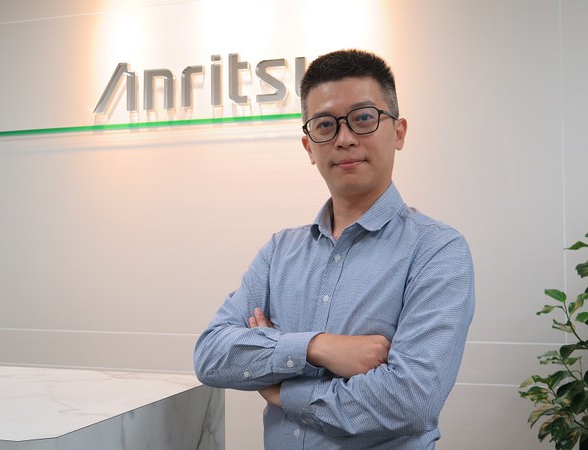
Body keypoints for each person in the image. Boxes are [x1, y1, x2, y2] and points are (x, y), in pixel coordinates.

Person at [194, 49, 475, 449]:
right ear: (309, 147)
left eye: (363, 118)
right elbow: (211, 355)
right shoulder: (280, 251)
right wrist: (317, 347)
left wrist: (283, 390)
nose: (344, 139)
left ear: (398, 132)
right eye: (325, 125)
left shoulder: (436, 250)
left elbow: (410, 401)